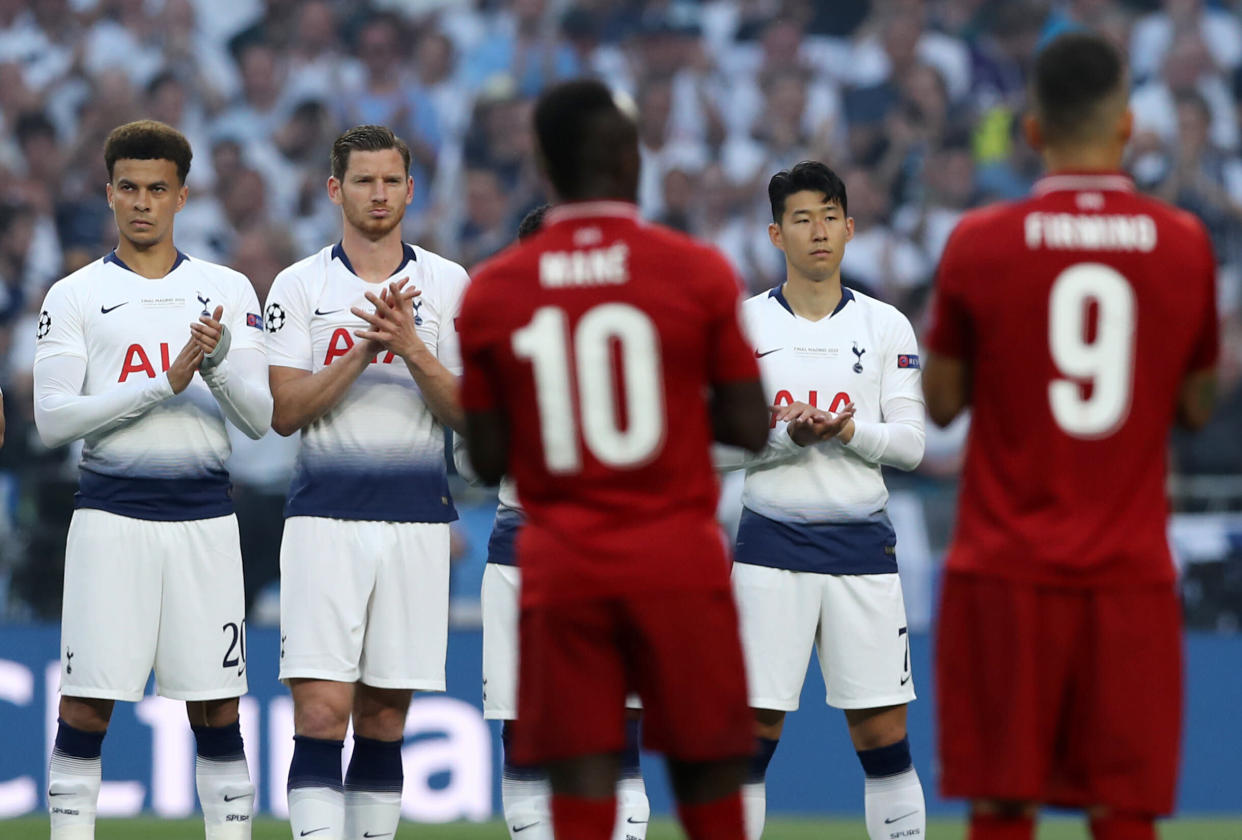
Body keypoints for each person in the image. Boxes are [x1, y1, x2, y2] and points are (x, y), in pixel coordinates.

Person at [923, 32, 1218, 840]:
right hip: (1128, 571)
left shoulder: (979, 242)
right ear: (1126, 127)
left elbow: (941, 404)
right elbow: (1196, 407)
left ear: (1031, 131)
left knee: (1001, 801)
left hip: (1005, 563)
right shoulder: (1184, 243)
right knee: (1124, 808)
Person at [457, 79, 769, 840]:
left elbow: (487, 455)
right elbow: (751, 426)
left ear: (543, 166)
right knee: (705, 766)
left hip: (562, 562)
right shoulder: (696, 270)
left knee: (583, 772)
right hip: (676, 555)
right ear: (632, 158)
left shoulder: (495, 292)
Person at [33, 119, 272, 840]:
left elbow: (259, 420)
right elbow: (53, 421)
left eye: (157, 190)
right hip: (110, 522)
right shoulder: (72, 295)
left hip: (204, 522)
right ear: (108, 194)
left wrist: (221, 360)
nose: (142, 203)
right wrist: (162, 386)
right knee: (85, 706)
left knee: (219, 709)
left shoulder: (225, 289)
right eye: (129, 189)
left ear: (182, 196)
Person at [264, 124, 468, 840]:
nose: (378, 194)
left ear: (410, 190)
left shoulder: (448, 284)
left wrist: (411, 346)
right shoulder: (300, 284)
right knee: (321, 713)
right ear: (334, 190)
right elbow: (284, 413)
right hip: (325, 520)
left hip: (416, 523)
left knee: (385, 719)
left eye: (390, 181)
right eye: (363, 181)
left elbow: (472, 415)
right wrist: (360, 351)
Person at [718, 161, 928, 840]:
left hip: (862, 552)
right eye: (802, 219)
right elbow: (711, 447)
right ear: (776, 235)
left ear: (851, 227)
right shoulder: (741, 326)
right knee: (751, 734)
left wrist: (845, 431)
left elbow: (912, 445)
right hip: (768, 551)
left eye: (830, 217)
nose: (818, 232)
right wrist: (787, 439)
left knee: (883, 737)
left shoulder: (887, 325)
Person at [455, 203, 651, 840]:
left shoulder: (631, 343)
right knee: (525, 727)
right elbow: (469, 458)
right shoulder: (497, 346)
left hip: (609, 545)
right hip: (524, 545)